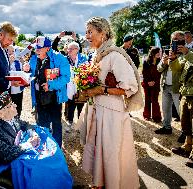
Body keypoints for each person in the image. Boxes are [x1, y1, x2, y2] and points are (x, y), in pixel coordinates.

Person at [78, 16, 140, 188]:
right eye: (86, 32)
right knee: (99, 149)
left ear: (103, 33)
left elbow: (131, 87)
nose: (87, 36)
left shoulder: (115, 56)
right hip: (97, 109)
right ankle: (99, 183)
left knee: (110, 151)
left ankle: (112, 184)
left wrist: (102, 90)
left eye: (90, 32)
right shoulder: (96, 56)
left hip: (112, 112)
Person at [0, 91, 73, 189]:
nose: (15, 105)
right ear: (0, 112)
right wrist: (28, 145)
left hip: (17, 152)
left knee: (53, 154)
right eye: (10, 105)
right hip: (3, 163)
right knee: (44, 166)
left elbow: (24, 124)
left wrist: (32, 133)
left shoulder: (8, 117)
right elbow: (5, 155)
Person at [23, 36, 70, 148]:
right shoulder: (33, 58)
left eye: (40, 48)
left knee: (55, 124)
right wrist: (26, 70)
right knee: (41, 123)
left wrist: (51, 85)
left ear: (48, 48)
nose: (37, 50)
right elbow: (31, 73)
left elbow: (66, 77)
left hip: (54, 97)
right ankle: (43, 147)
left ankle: (56, 148)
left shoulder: (60, 58)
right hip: (39, 97)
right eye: (36, 48)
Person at [168, 31, 193, 168]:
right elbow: (177, 69)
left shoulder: (191, 53)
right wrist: (173, 59)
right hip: (186, 92)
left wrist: (187, 53)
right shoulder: (192, 52)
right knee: (186, 124)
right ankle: (187, 147)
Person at [156, 38, 182, 135]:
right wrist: (164, 63)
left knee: (180, 111)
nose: (173, 45)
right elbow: (158, 69)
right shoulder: (166, 53)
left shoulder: (183, 54)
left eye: (176, 42)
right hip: (165, 86)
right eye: (172, 42)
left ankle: (185, 133)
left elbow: (182, 70)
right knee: (166, 109)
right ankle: (167, 127)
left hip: (177, 86)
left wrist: (175, 59)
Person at [65, 41, 88, 128]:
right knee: (70, 104)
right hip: (69, 85)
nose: (69, 50)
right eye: (68, 49)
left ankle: (80, 122)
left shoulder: (83, 58)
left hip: (80, 85)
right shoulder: (65, 59)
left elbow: (86, 70)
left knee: (80, 104)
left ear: (77, 50)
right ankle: (70, 120)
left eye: (71, 49)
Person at [142, 47, 162, 122]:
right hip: (147, 83)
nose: (159, 54)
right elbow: (144, 73)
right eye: (158, 52)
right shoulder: (146, 62)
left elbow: (160, 74)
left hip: (156, 83)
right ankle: (147, 115)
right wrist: (148, 82)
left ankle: (156, 116)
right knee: (147, 99)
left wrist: (155, 82)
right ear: (153, 53)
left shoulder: (160, 62)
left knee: (155, 100)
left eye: (160, 52)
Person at [6, 45, 25, 118]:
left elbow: (24, 71)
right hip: (10, 89)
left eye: (12, 51)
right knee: (11, 108)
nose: (11, 53)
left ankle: (18, 118)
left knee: (19, 106)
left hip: (19, 88)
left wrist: (23, 63)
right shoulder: (5, 61)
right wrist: (9, 62)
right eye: (9, 51)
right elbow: (4, 72)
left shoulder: (18, 61)